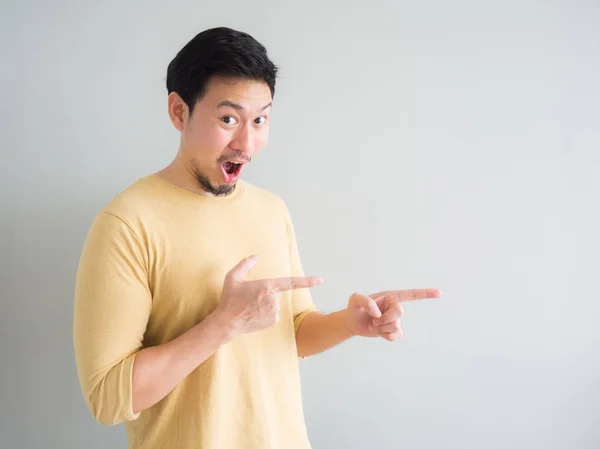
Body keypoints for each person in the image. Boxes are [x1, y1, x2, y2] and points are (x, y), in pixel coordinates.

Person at [73, 26, 442, 449]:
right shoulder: (127, 223)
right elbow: (106, 398)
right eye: (228, 118)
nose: (247, 143)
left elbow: (292, 332)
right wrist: (222, 325)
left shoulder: (270, 210)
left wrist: (348, 324)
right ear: (179, 111)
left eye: (260, 119)